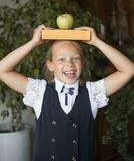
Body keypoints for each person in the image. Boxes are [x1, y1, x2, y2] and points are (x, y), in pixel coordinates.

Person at [0, 25, 134, 161]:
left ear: (83, 63)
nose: (69, 64)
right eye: (61, 59)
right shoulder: (39, 91)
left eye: (75, 58)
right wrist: (33, 42)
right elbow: (2, 70)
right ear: (50, 65)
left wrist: (96, 42)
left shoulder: (93, 92)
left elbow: (129, 69)